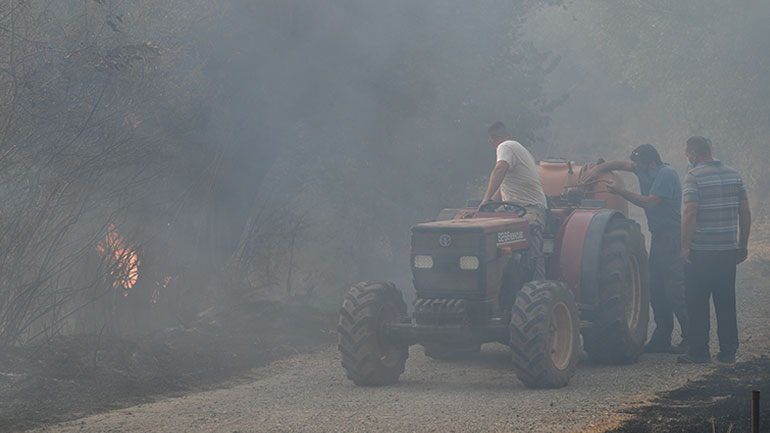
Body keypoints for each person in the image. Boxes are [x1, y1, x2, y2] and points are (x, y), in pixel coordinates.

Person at [582, 144, 688, 354]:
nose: (635, 167)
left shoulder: (666, 174)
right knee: (656, 288)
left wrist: (621, 192)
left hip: (672, 237)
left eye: (639, 164)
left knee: (675, 289)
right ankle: (662, 336)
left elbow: (650, 203)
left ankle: (691, 338)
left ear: (652, 163)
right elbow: (621, 164)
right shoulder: (644, 167)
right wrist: (598, 170)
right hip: (659, 237)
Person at [677, 136, 751, 364]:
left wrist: (685, 247)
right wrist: (743, 244)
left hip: (701, 251)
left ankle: (699, 352)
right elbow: (745, 212)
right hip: (727, 251)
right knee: (726, 301)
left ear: (693, 154)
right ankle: (728, 351)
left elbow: (690, 212)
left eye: (687, 154)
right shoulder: (734, 174)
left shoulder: (693, 177)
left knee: (697, 301)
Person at [479, 121, 548, 280]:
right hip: (512, 210)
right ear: (508, 135)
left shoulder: (506, 146)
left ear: (491, 143)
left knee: (530, 232)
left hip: (530, 210)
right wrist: (487, 205)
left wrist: (484, 199)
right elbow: (502, 190)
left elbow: (500, 169)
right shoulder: (519, 150)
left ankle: (538, 282)